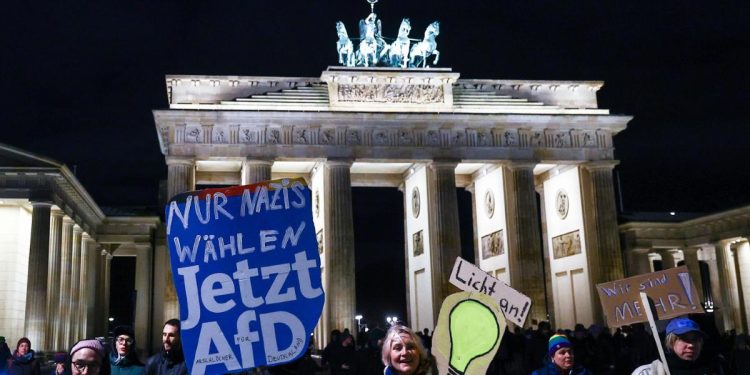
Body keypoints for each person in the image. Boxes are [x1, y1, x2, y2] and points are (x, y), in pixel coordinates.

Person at [631, 317, 724, 375]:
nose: (691, 345)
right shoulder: (646, 373)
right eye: (684, 339)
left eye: (695, 339)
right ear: (670, 343)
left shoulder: (715, 369)